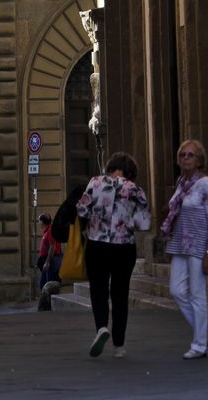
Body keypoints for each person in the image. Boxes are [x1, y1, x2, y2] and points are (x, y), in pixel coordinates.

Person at [76, 152, 151, 359]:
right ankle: (119, 346)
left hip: (97, 244)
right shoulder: (136, 189)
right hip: (124, 247)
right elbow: (143, 223)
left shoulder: (96, 182)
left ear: (111, 167)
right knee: (120, 294)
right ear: (130, 172)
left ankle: (101, 327)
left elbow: (82, 210)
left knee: (98, 289)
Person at [161, 138, 208, 360]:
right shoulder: (181, 183)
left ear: (199, 160)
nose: (186, 158)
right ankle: (206, 331)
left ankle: (199, 345)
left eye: (191, 155)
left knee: (197, 294)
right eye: (183, 155)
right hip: (179, 244)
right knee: (176, 290)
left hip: (198, 245)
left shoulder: (206, 184)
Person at [37, 214, 62, 290]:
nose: (39, 223)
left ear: (42, 222)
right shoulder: (47, 231)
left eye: (39, 221)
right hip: (48, 261)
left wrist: (47, 262)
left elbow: (52, 247)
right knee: (43, 285)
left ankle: (51, 301)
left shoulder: (50, 231)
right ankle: (47, 300)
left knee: (49, 285)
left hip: (52, 261)